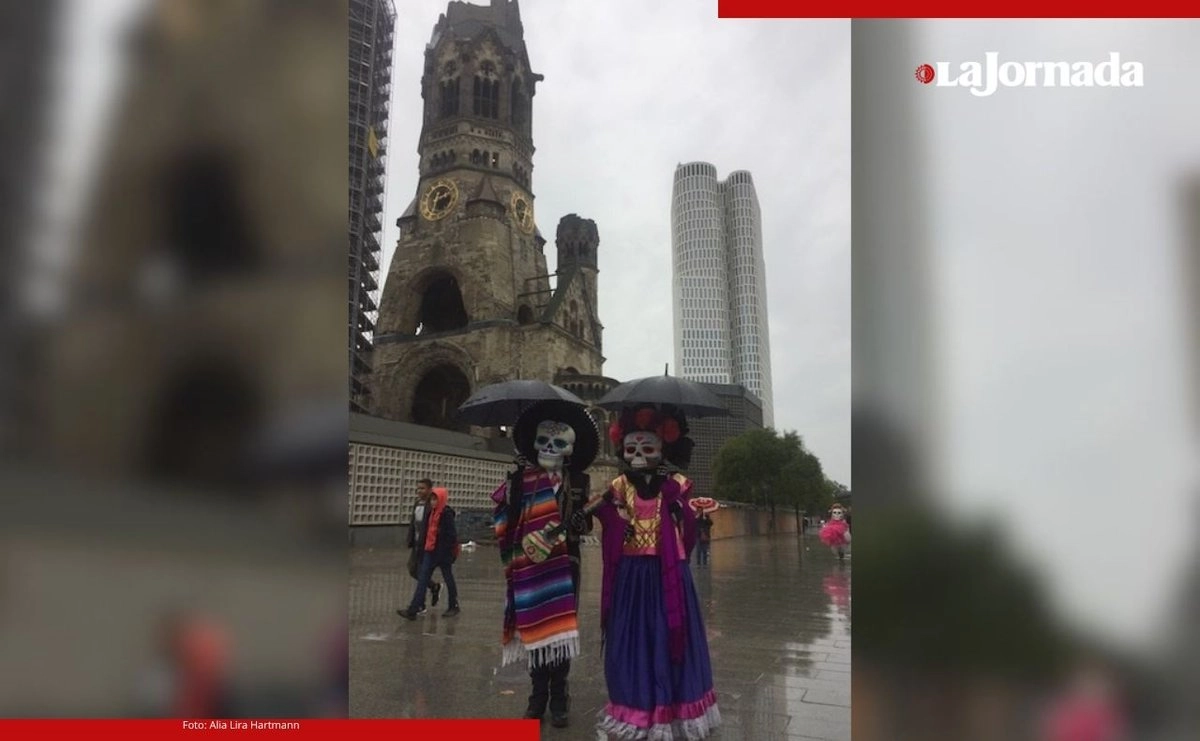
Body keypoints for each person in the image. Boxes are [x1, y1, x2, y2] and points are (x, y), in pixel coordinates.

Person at [594, 404, 720, 740]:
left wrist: (674, 502)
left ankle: (675, 705)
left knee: (669, 633)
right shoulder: (619, 485)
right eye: (631, 448)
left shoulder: (677, 484)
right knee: (634, 636)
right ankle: (636, 704)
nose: (638, 454)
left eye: (647, 447)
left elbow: (688, 529)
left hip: (668, 572)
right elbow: (608, 517)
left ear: (663, 448)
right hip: (632, 573)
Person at [491, 399, 599, 729]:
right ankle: (537, 696)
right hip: (530, 562)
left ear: (569, 449)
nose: (550, 448)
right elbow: (507, 520)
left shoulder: (579, 481)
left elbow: (587, 527)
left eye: (558, 443)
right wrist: (513, 491)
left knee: (561, 629)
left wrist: (578, 522)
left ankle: (559, 696)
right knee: (534, 628)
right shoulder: (520, 479)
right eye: (544, 441)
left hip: (567, 563)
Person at [397, 483, 460, 619]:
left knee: (449, 579)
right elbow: (424, 532)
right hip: (429, 552)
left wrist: (445, 549)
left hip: (443, 554)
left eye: (435, 499)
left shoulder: (446, 514)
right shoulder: (430, 513)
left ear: (441, 499)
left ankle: (453, 605)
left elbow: (452, 536)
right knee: (423, 580)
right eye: (431, 499)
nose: (433, 502)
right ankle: (413, 609)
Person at [403, 480, 441, 613]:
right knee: (413, 570)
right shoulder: (417, 504)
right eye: (418, 488)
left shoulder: (432, 505)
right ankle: (433, 586)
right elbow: (413, 523)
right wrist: (410, 539)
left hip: (427, 545)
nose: (419, 491)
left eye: (422, 488)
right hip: (417, 544)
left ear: (430, 489)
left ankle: (420, 605)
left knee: (423, 573)